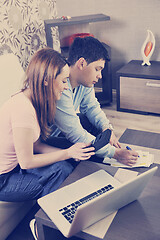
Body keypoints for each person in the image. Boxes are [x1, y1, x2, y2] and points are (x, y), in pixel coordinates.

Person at [0, 47, 95, 202]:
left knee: (68, 152)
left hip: (17, 166)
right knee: (61, 170)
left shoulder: (34, 100)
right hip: (4, 179)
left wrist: (71, 152)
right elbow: (26, 162)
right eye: (64, 81)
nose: (66, 87)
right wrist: (67, 153)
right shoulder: (23, 108)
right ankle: (44, 222)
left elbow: (36, 145)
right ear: (46, 80)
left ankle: (81, 200)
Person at [48, 37, 138, 166]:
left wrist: (107, 128)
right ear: (82, 63)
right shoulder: (60, 86)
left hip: (61, 129)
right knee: (83, 146)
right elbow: (75, 134)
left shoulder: (84, 83)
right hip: (48, 138)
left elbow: (91, 107)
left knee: (87, 120)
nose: (100, 75)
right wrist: (115, 153)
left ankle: (102, 152)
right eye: (97, 69)